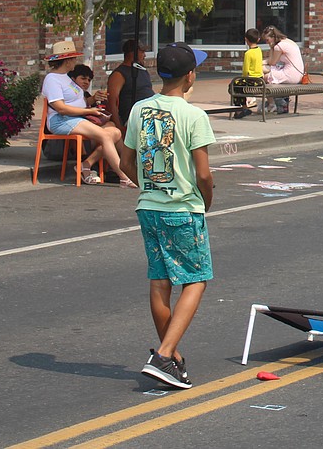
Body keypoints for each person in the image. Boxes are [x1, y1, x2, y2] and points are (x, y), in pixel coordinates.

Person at [120, 42, 216, 390]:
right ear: (189, 76)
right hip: (182, 207)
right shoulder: (194, 116)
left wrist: (147, 185)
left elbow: (125, 162)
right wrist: (207, 199)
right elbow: (203, 174)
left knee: (160, 281)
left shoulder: (139, 109)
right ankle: (163, 355)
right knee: (196, 278)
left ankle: (171, 359)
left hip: (149, 207)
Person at [41, 39, 134, 187]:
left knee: (115, 133)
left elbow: (77, 101)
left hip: (77, 117)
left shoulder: (65, 77)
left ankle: (86, 164)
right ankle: (125, 176)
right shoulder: (52, 79)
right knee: (104, 135)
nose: (75, 61)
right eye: (74, 58)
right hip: (61, 119)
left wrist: (92, 100)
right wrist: (87, 111)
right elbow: (60, 108)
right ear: (67, 60)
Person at [106, 39, 155, 133]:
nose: (144, 55)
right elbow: (112, 102)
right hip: (134, 118)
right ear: (133, 53)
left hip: (151, 113)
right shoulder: (119, 74)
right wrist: (119, 127)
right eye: (142, 52)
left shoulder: (142, 70)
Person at [262, 25, 305, 114]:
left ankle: (271, 103)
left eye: (267, 40)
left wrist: (271, 48)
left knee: (263, 76)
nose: (267, 42)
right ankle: (274, 101)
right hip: (298, 73)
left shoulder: (279, 46)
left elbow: (272, 62)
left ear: (273, 37)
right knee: (265, 70)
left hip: (291, 74)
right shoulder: (287, 41)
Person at [231, 28, 265, 119]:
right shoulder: (259, 50)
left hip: (251, 80)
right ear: (258, 39)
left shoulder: (248, 53)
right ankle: (244, 108)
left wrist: (243, 78)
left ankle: (240, 108)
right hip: (260, 79)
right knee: (238, 85)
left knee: (235, 85)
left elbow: (245, 70)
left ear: (246, 39)